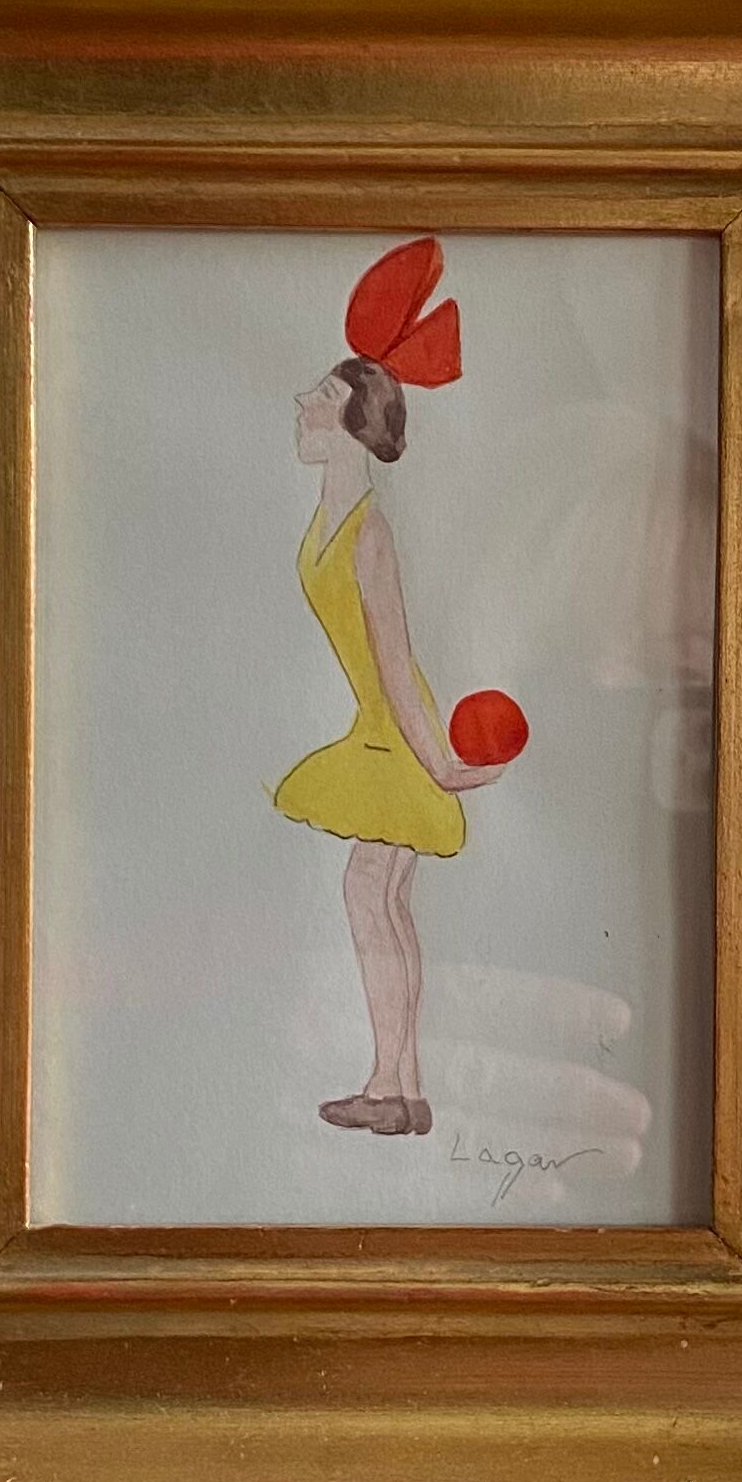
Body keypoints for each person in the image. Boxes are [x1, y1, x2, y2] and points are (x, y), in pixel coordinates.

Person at [272, 238, 502, 1133]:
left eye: (323, 397)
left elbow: (399, 658)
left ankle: (389, 1085)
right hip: (383, 727)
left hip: (397, 731)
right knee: (386, 895)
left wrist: (440, 760)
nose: (302, 402)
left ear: (357, 422)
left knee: (370, 891)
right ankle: (401, 1092)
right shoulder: (334, 515)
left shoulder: (368, 532)